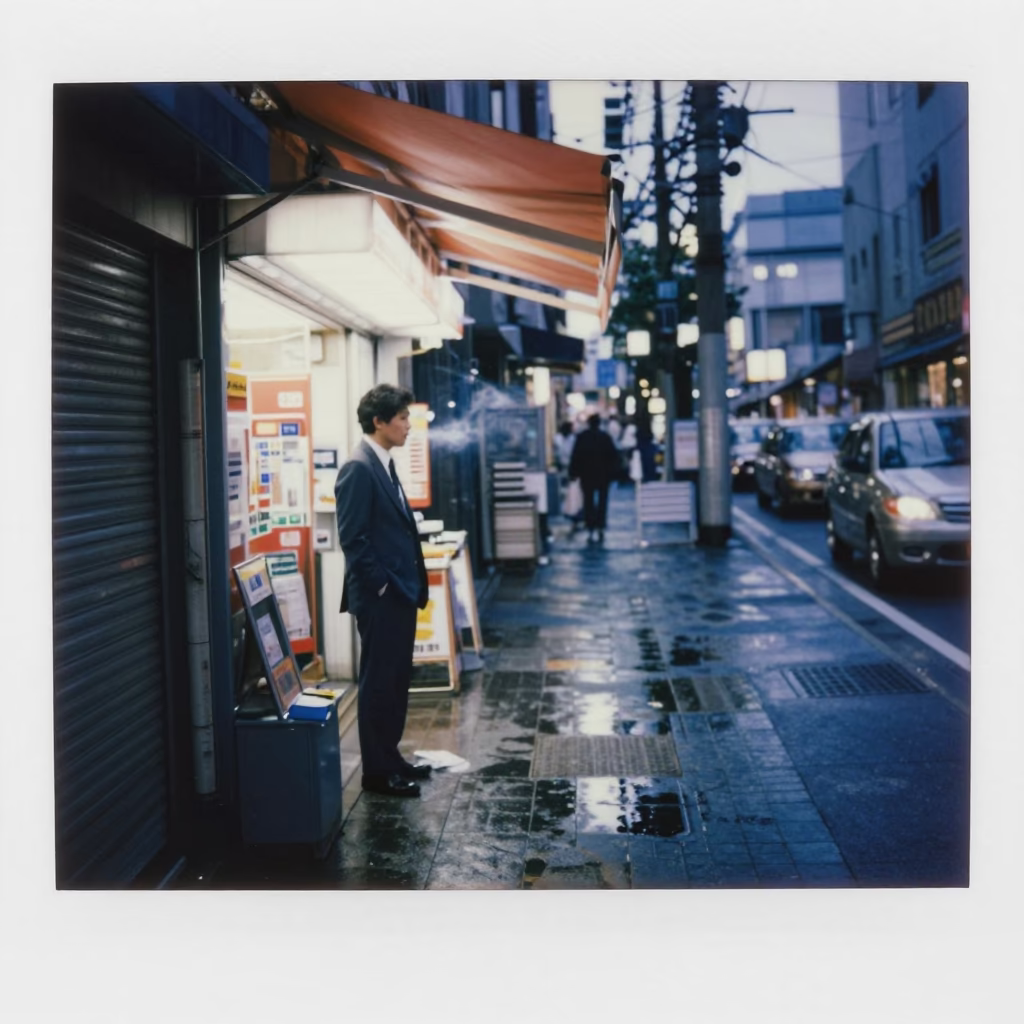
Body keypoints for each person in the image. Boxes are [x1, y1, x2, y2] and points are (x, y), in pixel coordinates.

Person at [335, 384, 430, 798]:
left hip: (399, 594)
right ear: (379, 421)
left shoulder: (383, 462)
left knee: (394, 680)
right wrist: (384, 586)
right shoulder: (358, 467)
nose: (408, 425)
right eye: (402, 418)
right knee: (378, 682)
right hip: (382, 598)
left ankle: (390, 758)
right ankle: (377, 772)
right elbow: (353, 539)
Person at [568, 413, 621, 542]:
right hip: (603, 475)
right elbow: (613, 457)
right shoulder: (605, 437)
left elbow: (575, 456)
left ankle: (591, 526)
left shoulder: (582, 437)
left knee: (588, 501)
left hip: (587, 475)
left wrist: (573, 473)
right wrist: (613, 474)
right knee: (603, 501)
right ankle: (601, 526)